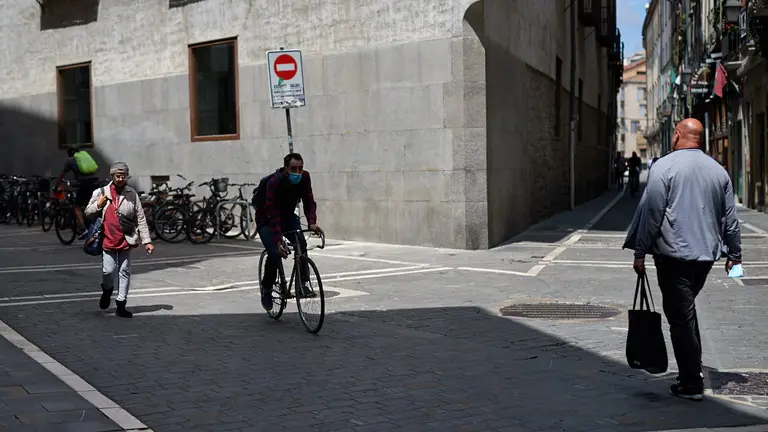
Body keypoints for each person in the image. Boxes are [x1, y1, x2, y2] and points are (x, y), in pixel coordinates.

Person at [624, 118, 742, 401]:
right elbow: (731, 219)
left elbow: (652, 213)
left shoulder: (663, 167)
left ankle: (691, 383)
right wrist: (735, 256)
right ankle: (692, 372)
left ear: (676, 135)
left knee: (679, 318)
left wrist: (640, 251)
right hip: (705, 258)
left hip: (673, 257)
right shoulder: (719, 171)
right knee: (684, 312)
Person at [85, 162, 154, 318]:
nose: (121, 179)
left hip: (126, 239)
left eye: (124, 176)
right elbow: (87, 212)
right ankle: (107, 289)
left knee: (124, 271)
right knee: (108, 271)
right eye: (118, 176)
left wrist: (147, 241)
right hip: (107, 239)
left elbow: (140, 218)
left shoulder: (131, 194)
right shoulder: (100, 192)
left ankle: (121, 304)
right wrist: (98, 205)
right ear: (112, 176)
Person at [256, 153, 323, 311]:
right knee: (274, 253)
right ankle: (267, 288)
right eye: (294, 168)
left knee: (301, 243)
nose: (297, 172)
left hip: (287, 217)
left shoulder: (305, 178)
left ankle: (302, 283)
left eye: (300, 168)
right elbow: (272, 213)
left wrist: (312, 222)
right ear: (286, 168)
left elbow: (309, 201)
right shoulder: (275, 182)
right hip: (267, 219)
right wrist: (278, 240)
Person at [54, 145, 101, 239]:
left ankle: (83, 229)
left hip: (84, 184)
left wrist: (56, 186)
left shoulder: (70, 160)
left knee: (77, 206)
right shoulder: (85, 156)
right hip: (96, 182)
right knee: (91, 203)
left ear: (70, 152)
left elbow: (62, 175)